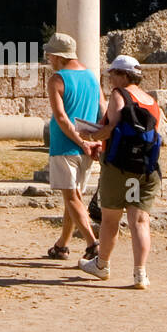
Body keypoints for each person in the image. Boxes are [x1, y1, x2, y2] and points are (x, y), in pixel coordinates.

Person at [78, 54, 161, 287]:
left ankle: (102, 265)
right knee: (140, 221)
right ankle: (140, 274)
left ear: (123, 76)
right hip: (144, 169)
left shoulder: (119, 95)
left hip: (118, 167)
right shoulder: (151, 100)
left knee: (110, 219)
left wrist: (91, 136)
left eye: (113, 73)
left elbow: (112, 128)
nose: (110, 78)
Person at [43, 32, 105, 262]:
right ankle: (62, 245)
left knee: (71, 198)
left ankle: (92, 243)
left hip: (65, 146)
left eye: (50, 55)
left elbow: (60, 117)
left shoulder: (57, 79)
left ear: (58, 56)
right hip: (88, 147)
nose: (48, 60)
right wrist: (97, 140)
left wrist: (80, 141)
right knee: (75, 197)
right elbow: (103, 109)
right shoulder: (91, 77)